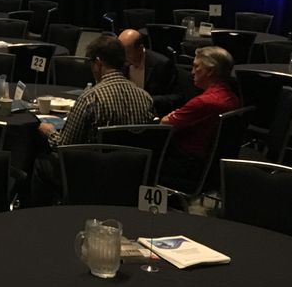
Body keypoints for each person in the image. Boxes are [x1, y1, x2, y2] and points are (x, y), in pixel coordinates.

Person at [30, 34, 155, 205]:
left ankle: (37, 218)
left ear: (98, 63)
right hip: (131, 178)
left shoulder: (90, 98)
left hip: (90, 177)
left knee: (41, 162)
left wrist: (49, 131)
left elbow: (65, 146)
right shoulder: (145, 97)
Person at [159, 46, 241, 190]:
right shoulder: (232, 98)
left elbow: (163, 125)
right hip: (211, 165)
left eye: (196, 67)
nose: (192, 72)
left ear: (209, 71)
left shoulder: (203, 102)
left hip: (185, 163)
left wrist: (171, 115)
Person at [118, 28, 182, 115]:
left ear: (140, 49)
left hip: (152, 114)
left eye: (127, 52)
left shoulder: (162, 64)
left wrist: (146, 99)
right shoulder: (120, 61)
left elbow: (177, 98)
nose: (123, 57)